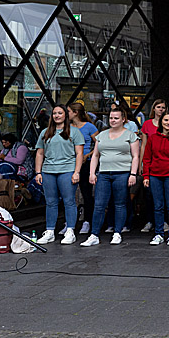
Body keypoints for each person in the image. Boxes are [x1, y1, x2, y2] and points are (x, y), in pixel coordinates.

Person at [81, 106, 140, 247]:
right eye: (111, 118)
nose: (113, 120)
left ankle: (117, 232)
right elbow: (95, 155)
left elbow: (136, 156)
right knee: (99, 204)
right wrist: (92, 172)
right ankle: (94, 235)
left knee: (120, 204)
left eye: (116, 118)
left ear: (123, 119)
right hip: (104, 173)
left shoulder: (131, 135)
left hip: (122, 173)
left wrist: (133, 174)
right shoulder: (102, 135)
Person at [33, 105, 86, 244]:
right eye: (55, 113)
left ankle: (70, 231)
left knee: (69, 202)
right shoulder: (45, 132)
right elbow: (39, 153)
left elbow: (80, 153)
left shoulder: (74, 132)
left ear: (65, 115)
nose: (57, 115)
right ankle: (50, 231)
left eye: (60, 113)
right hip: (48, 171)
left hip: (67, 170)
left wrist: (77, 172)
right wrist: (38, 172)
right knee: (50, 202)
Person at [142, 112, 169, 246]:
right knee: (158, 206)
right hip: (155, 175)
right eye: (166, 120)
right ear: (161, 122)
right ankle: (159, 234)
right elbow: (147, 158)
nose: (168, 123)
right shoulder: (153, 138)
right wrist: (146, 175)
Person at [68, 102, 98, 233]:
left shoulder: (89, 127)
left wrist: (89, 155)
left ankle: (87, 221)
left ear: (75, 113)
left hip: (85, 161)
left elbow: (99, 143)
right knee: (69, 194)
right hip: (70, 161)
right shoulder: (67, 127)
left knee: (86, 193)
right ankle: (69, 222)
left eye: (68, 111)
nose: (66, 114)